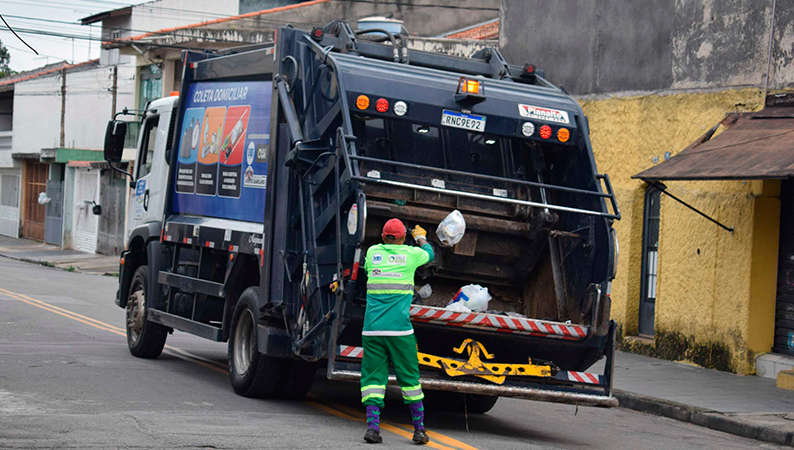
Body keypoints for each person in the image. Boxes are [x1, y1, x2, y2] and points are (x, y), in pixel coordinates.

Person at [361, 218, 434, 444]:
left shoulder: (373, 252)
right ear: (404, 238)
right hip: (400, 332)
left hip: (372, 330)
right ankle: (419, 430)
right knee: (410, 380)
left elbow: (367, 269)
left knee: (373, 380)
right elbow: (430, 254)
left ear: (383, 236)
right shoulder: (411, 255)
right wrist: (420, 235)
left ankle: (373, 429)